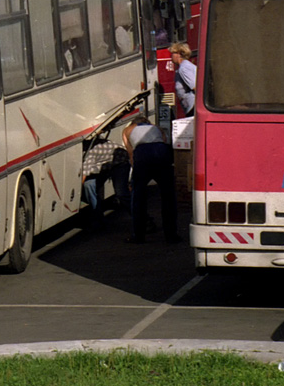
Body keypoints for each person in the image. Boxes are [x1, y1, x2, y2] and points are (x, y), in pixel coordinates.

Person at [122, 115, 180, 245]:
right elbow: (164, 142)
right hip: (161, 151)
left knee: (138, 198)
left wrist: (133, 177)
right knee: (168, 197)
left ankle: (138, 236)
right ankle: (171, 235)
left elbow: (131, 153)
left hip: (142, 154)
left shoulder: (127, 130)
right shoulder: (157, 128)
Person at [81, 136, 130, 227]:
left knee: (121, 193)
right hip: (104, 165)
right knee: (89, 185)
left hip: (120, 163)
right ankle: (98, 217)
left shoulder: (89, 154)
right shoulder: (90, 148)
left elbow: (84, 175)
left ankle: (142, 218)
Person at [170, 42, 197, 117]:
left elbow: (195, 86)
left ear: (179, 54)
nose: (170, 56)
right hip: (190, 106)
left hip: (192, 106)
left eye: (172, 53)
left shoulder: (184, 68)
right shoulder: (184, 66)